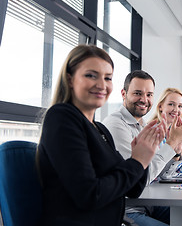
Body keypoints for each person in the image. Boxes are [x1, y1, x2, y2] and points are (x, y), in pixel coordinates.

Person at [36, 45, 165, 225]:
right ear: (70, 79)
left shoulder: (100, 130)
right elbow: (89, 195)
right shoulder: (61, 117)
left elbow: (133, 189)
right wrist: (137, 162)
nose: (102, 85)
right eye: (91, 75)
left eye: (108, 78)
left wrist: (143, 154)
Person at [103, 72, 182, 226]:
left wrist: (176, 151)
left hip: (148, 205)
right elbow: (138, 180)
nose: (144, 99)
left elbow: (159, 175)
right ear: (124, 94)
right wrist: (171, 143)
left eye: (149, 94)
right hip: (128, 211)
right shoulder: (116, 125)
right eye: (137, 93)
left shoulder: (142, 125)